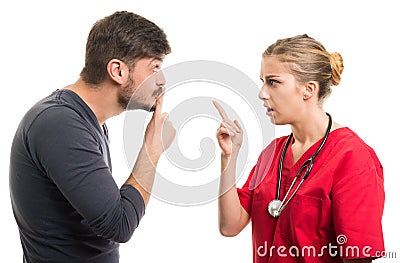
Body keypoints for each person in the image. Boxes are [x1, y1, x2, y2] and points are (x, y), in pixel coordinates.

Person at [9, 11, 176, 263]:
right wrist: (152, 148)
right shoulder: (60, 124)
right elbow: (119, 225)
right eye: (154, 67)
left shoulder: (84, 121)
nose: (162, 81)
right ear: (118, 70)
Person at [214, 34, 384, 263]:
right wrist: (229, 157)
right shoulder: (273, 153)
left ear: (308, 89)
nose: (262, 93)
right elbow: (230, 226)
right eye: (262, 81)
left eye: (273, 82)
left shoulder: (353, 158)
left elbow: (358, 257)